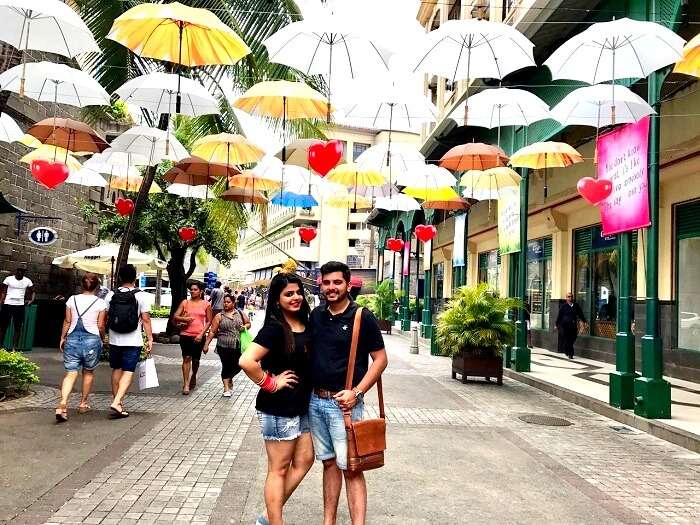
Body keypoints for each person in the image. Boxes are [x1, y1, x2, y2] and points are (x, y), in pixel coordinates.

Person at [309, 261, 388, 525]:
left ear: (347, 283)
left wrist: (356, 391)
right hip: (316, 401)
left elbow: (380, 359)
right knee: (329, 464)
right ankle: (328, 521)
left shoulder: (361, 316)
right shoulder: (317, 315)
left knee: (352, 469)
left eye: (337, 282)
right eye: (327, 282)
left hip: (344, 406)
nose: (331, 288)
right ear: (321, 283)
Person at [239, 273, 314, 525]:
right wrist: (271, 383)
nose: (295, 298)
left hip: (302, 405)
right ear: (277, 299)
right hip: (278, 409)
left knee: (304, 461)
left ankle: (266, 517)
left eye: (297, 292)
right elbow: (246, 361)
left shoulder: (305, 322)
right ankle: (274, 521)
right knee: (279, 469)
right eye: (288, 294)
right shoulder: (274, 328)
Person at [56, 273, 107, 422]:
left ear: (81, 285)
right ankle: (83, 403)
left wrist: (62, 337)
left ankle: (63, 403)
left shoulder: (72, 299)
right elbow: (101, 325)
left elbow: (67, 320)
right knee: (88, 372)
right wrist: (102, 338)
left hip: (72, 338)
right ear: (97, 286)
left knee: (70, 373)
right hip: (92, 339)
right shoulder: (100, 303)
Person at [105, 264, 153, 418]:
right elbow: (145, 320)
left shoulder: (111, 295)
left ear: (119, 277)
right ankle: (117, 401)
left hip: (114, 338)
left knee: (116, 369)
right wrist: (150, 339)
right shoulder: (142, 295)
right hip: (133, 340)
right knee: (128, 370)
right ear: (135, 277)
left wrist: (103, 335)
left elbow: (106, 317)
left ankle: (118, 403)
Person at [204, 294, 250, 397]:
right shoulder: (219, 316)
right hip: (223, 345)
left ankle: (229, 378)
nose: (225, 304)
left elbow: (248, 323)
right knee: (226, 366)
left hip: (238, 345)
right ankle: (226, 388)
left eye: (228, 302)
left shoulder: (240, 313)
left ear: (233, 303)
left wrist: (244, 327)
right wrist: (206, 344)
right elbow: (212, 331)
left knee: (239, 365)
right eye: (224, 302)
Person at [173, 282, 212, 395]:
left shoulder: (206, 304)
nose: (192, 291)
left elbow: (209, 321)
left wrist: (201, 334)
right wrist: (184, 319)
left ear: (200, 291)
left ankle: (194, 375)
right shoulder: (185, 302)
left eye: (195, 289)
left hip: (198, 336)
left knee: (195, 360)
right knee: (186, 358)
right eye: (191, 289)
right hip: (185, 335)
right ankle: (186, 383)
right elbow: (175, 316)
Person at [0, 266, 35, 350]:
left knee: (18, 327)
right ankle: (0, 347)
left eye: (22, 271)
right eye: (19, 271)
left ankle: (14, 348)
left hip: (19, 305)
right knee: (3, 327)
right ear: (16, 271)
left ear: (24, 272)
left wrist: (31, 300)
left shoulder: (27, 281)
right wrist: (1, 301)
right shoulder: (8, 279)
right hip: (8, 304)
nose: (20, 273)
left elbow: (33, 291)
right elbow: (3, 291)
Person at [555, 292, 587, 359]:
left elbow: (580, 314)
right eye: (569, 297)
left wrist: (584, 321)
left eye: (571, 296)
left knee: (573, 339)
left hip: (573, 325)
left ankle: (566, 349)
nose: (570, 298)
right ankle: (570, 353)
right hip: (565, 326)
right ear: (566, 298)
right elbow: (559, 316)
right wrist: (556, 324)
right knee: (567, 339)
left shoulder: (576, 306)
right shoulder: (563, 307)